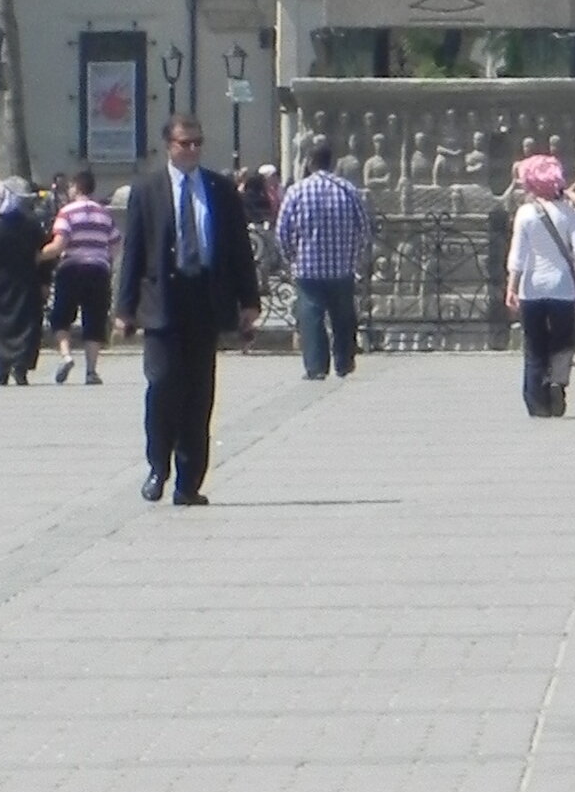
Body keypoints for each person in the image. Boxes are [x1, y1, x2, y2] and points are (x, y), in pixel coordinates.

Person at [114, 115, 261, 502]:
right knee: (162, 386)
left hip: (205, 299)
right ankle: (157, 465)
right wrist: (124, 307)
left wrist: (249, 301)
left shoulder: (220, 189)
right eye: (185, 143)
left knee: (199, 394)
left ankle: (188, 482)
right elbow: (133, 253)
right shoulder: (147, 190)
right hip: (163, 300)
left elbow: (238, 249)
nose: (193, 150)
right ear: (168, 145)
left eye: (197, 142)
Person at [274, 134, 374, 383]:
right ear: (332, 163)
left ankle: (316, 366)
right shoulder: (348, 190)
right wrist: (355, 256)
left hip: (308, 268)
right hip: (341, 267)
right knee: (343, 317)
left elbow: (282, 231)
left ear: (309, 161)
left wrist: (291, 258)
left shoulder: (297, 191)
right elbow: (364, 229)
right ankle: (344, 361)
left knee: (312, 318)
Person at [505, 152, 575, 415]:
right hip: (563, 288)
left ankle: (535, 400)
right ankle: (557, 383)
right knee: (562, 343)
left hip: (532, 287)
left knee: (535, 346)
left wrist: (512, 287)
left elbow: (518, 255)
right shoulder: (568, 213)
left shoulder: (525, 213)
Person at [43, 165, 119, 385]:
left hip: (71, 269)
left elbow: (59, 244)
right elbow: (115, 244)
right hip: (98, 270)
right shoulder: (104, 213)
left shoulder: (67, 212)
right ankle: (91, 371)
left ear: (76, 187)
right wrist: (106, 259)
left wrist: (39, 256)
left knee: (61, 316)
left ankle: (66, 356)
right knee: (94, 319)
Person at [0, 182, 47, 386]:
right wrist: (44, 280)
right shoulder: (32, 225)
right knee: (26, 326)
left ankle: (1, 369)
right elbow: (43, 255)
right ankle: (21, 366)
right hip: (26, 282)